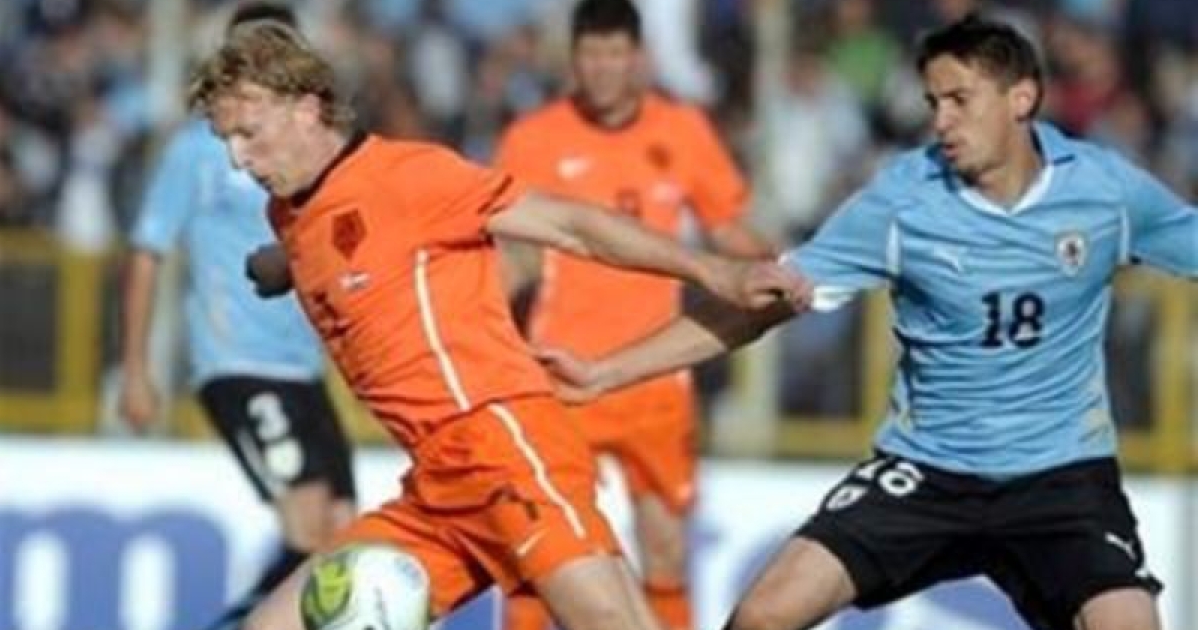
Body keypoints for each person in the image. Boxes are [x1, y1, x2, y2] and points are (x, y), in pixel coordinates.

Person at [534, 15, 1196, 630]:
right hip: (927, 473)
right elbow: (760, 305)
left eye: (959, 100)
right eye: (933, 102)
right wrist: (606, 372)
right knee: (763, 615)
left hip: (1062, 477)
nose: (941, 121)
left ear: (1021, 98)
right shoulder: (904, 200)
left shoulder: (1106, 191)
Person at [185, 22, 808, 630]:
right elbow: (337, 239)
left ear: (305, 108)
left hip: (501, 445)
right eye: (226, 140)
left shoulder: (410, 176)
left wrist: (713, 272)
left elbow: (572, 226)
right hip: (436, 487)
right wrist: (282, 264)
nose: (239, 159)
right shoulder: (289, 211)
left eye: (248, 134)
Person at [494, 2, 774, 629]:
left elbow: (728, 227)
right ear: (573, 60)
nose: (602, 69)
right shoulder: (532, 139)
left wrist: (783, 266)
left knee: (666, 549)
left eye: (615, 54)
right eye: (591, 54)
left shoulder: (683, 130)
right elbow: (509, 254)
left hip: (656, 378)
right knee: (539, 553)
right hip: (561, 375)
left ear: (639, 58)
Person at [117, 5, 356, 630]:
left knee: (342, 535)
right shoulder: (200, 152)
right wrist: (137, 370)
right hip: (238, 364)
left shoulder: (312, 151)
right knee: (308, 524)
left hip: (303, 368)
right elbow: (147, 250)